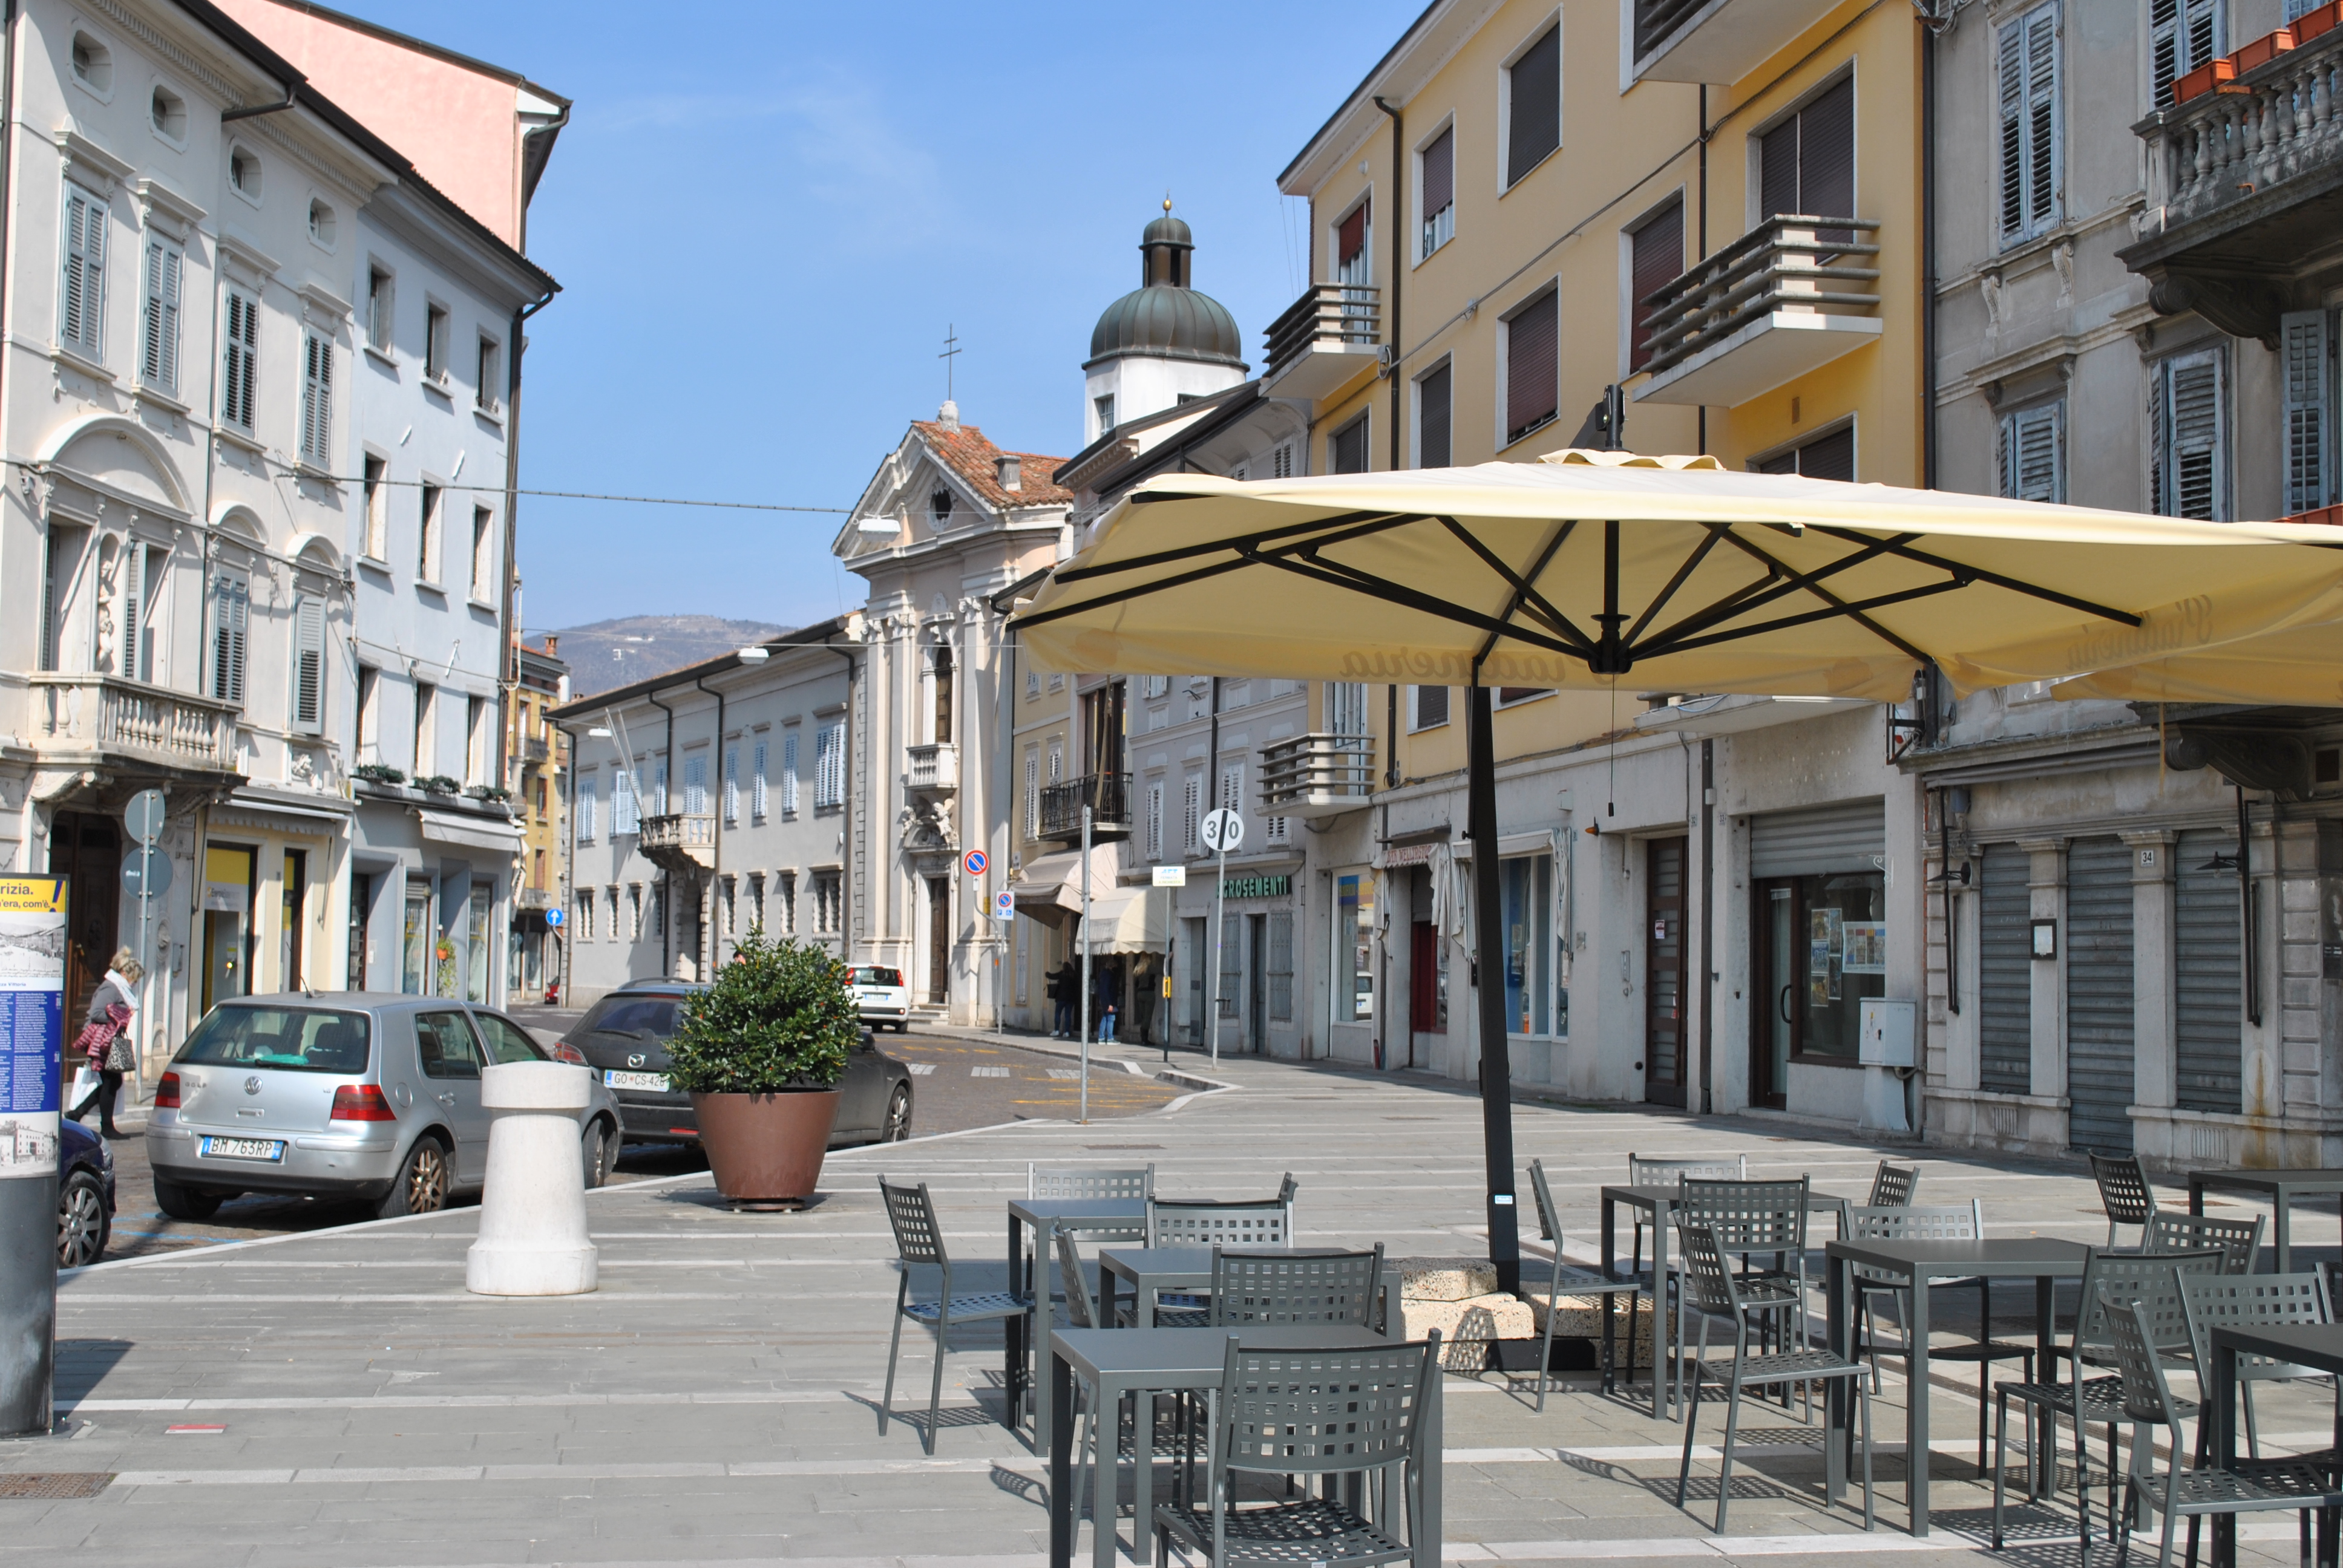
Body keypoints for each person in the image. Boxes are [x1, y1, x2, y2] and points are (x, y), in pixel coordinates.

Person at [68, 947, 141, 1137]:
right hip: (103, 1041)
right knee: (112, 1080)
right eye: (134, 978)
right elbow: (96, 1013)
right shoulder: (111, 987)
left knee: (112, 1081)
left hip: (109, 1040)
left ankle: (77, 1114)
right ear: (124, 973)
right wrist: (119, 1019)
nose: (135, 983)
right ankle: (106, 1127)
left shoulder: (119, 988)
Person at [1048, 961, 1076, 1040]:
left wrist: (1047, 973)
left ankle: (1057, 1030)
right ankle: (1067, 1032)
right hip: (1071, 998)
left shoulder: (1062, 974)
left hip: (1061, 997)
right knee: (1068, 1015)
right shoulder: (1074, 975)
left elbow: (1052, 976)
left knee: (1058, 1014)